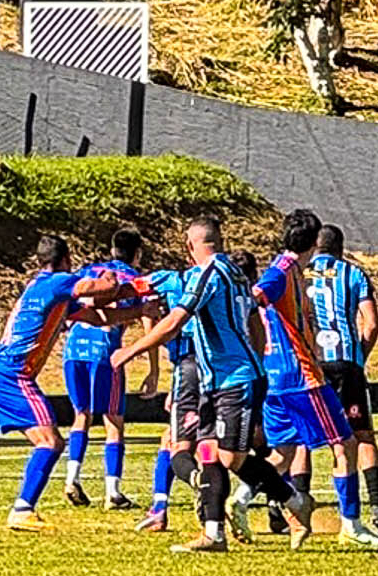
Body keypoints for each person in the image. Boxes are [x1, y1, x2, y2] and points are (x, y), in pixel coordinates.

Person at [113, 216, 313, 553]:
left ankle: (294, 500)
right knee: (208, 453)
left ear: (190, 246)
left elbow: (176, 320)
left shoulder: (210, 273)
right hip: (215, 379)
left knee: (231, 457)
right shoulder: (235, 272)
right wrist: (257, 352)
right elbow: (253, 317)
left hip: (236, 379)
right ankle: (213, 533)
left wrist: (130, 350)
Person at [0, 235, 139, 532]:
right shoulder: (58, 282)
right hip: (10, 373)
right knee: (51, 442)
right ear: (64, 260)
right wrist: (109, 273)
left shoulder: (42, 289)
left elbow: (99, 317)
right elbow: (107, 288)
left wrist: (140, 311)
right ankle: (23, 509)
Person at [237, 211, 378, 548]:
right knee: (347, 444)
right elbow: (258, 296)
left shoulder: (292, 269)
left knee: (284, 453)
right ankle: (352, 523)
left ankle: (241, 498)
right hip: (304, 375)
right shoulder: (287, 270)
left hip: (277, 376)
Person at [60, 228, 156, 510]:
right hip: (105, 351)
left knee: (82, 416)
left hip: (74, 348)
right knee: (113, 421)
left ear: (113, 249)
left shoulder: (89, 270)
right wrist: (153, 369)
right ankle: (113, 491)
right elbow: (149, 321)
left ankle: (71, 477)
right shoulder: (136, 281)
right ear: (137, 253)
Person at [307, 224, 378, 537]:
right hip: (348, 363)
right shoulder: (354, 274)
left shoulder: (300, 274)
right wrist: (359, 357)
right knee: (362, 436)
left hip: (312, 364)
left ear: (315, 247)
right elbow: (371, 325)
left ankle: (289, 507)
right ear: (341, 248)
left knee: (302, 440)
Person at [132, 263, 201, 533]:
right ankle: (282, 500)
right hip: (218, 367)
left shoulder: (168, 280)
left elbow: (134, 287)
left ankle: (161, 509)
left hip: (189, 367)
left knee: (176, 441)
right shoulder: (218, 280)